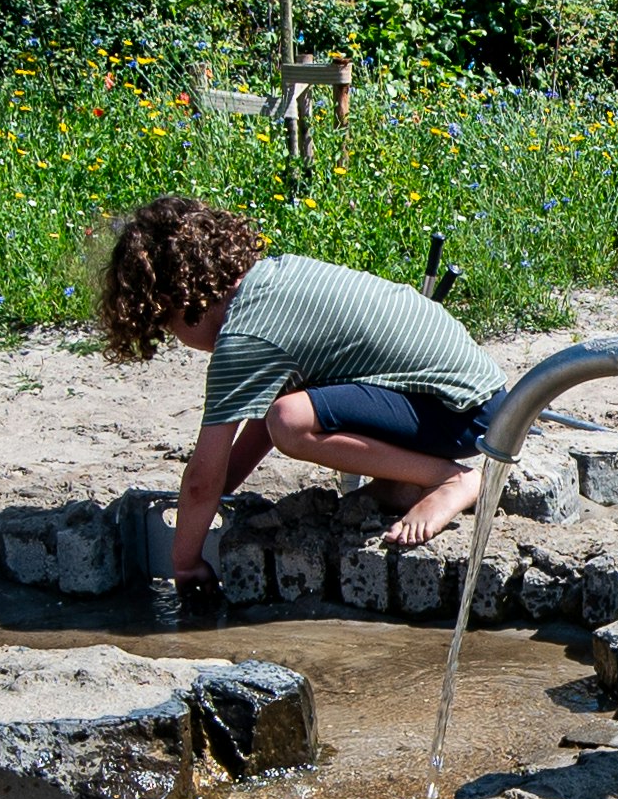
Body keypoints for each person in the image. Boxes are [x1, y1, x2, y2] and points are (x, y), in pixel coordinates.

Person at [93, 194, 504, 598]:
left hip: (460, 411)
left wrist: (184, 562)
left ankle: (451, 480)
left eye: (167, 326)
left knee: (290, 421)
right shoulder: (271, 281)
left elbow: (203, 478)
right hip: (478, 398)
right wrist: (218, 496)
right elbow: (243, 446)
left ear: (179, 302)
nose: (179, 339)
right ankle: (405, 483)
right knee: (286, 408)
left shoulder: (243, 337)